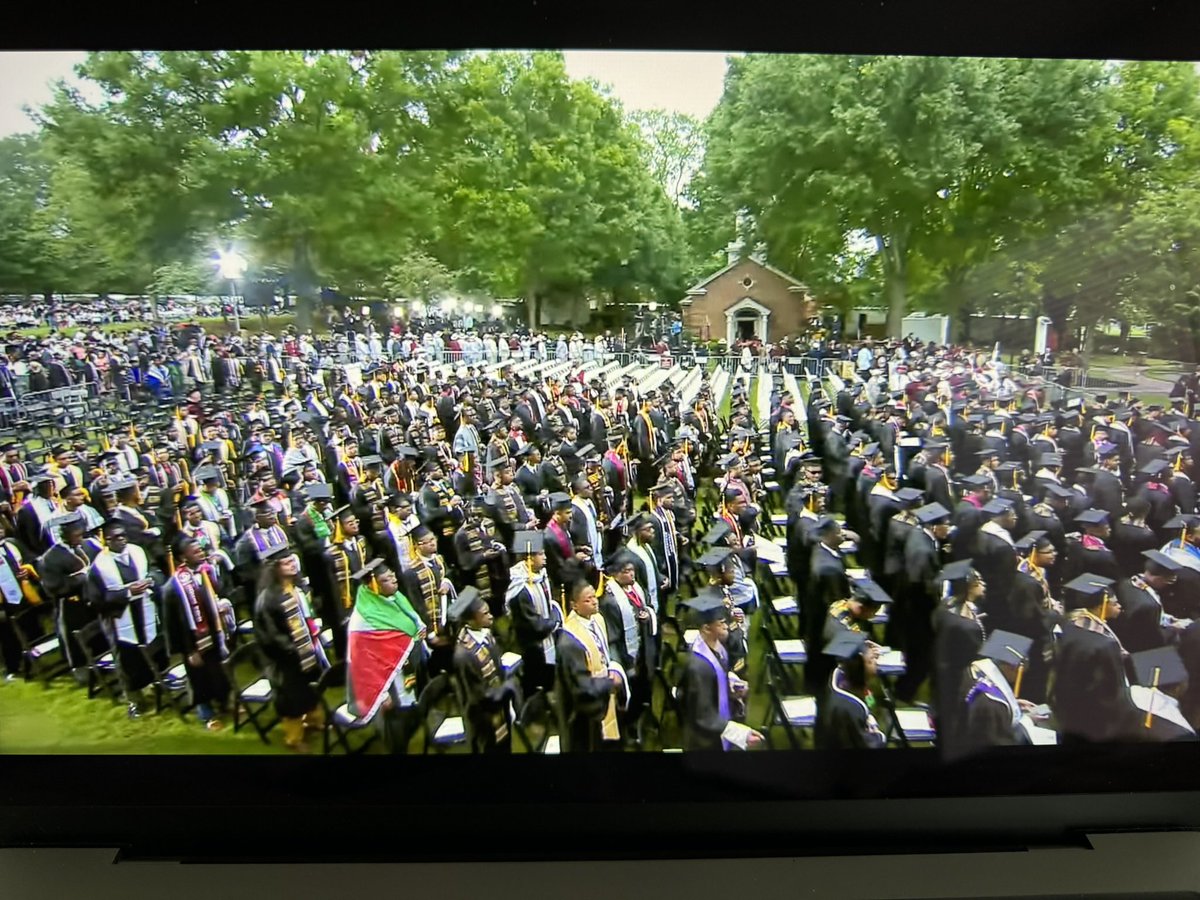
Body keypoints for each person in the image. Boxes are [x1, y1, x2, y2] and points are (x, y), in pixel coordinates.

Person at [252, 542, 327, 752]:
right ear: (275, 569)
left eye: (292, 561)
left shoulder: (296, 587)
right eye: (286, 563)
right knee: (291, 698)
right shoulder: (268, 599)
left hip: (303, 650)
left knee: (310, 688)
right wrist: (294, 651)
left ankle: (313, 721)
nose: (292, 566)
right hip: (283, 659)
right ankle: (293, 738)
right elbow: (270, 636)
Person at [86, 521, 165, 719]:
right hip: (119, 619)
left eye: (123, 535)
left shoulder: (138, 552)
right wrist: (127, 592)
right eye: (114, 537)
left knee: (153, 651)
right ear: (106, 540)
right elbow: (95, 600)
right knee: (128, 661)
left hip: (146, 610)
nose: (120, 539)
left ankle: (155, 686)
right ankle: (134, 701)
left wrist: (151, 580)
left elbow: (155, 569)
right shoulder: (98, 566)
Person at [345, 560, 424, 754]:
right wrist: (382, 694)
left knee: (408, 708)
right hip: (385, 681)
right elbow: (361, 662)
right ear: (374, 586)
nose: (394, 581)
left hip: (403, 668)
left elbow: (409, 624)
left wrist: (417, 632)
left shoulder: (394, 597)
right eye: (386, 579)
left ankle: (406, 735)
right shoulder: (363, 620)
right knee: (394, 719)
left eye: (393, 576)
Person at [676, 590, 764, 751]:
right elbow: (703, 715)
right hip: (705, 739)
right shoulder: (698, 666)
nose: (726, 627)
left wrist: (730, 684)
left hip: (718, 718)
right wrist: (740, 734)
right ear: (707, 628)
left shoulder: (717, 647)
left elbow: (718, 677)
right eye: (721, 623)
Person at [161, 536, 234, 730]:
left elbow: (214, 596)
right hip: (192, 642)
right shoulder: (173, 587)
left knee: (219, 671)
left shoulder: (204, 572)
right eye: (195, 551)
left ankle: (224, 703)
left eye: (200, 549)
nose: (201, 552)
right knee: (200, 678)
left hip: (213, 633)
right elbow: (173, 624)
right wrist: (189, 650)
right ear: (182, 558)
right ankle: (206, 714)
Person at [555, 579, 627, 751]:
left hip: (602, 695)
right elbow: (580, 686)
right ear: (574, 605)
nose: (595, 601)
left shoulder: (597, 619)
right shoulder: (570, 641)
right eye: (588, 600)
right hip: (584, 710)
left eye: (594, 596)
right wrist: (610, 683)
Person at [450, 585, 519, 753]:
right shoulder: (463, 655)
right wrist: (506, 689)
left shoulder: (485, 633)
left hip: (498, 704)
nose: (491, 617)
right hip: (482, 716)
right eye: (485, 614)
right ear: (472, 620)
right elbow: (478, 696)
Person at [961, 630, 1038, 752]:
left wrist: (1012, 703)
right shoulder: (994, 704)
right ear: (1013, 667)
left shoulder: (972, 671)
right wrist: (1027, 721)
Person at [815, 629, 886, 749]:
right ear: (858, 668)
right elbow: (865, 744)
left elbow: (869, 700)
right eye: (871, 660)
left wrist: (865, 647)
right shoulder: (849, 707)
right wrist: (879, 735)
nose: (876, 662)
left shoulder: (844, 674)